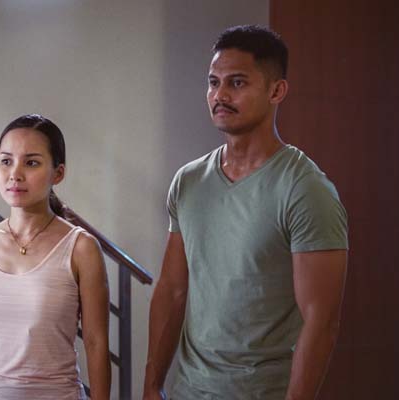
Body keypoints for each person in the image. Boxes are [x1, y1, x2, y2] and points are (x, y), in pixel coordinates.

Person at [143, 25, 348, 400]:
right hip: (190, 389)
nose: (220, 95)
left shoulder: (306, 189)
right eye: (213, 82)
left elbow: (322, 322)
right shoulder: (188, 181)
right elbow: (172, 290)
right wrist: (151, 386)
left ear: (276, 91)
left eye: (236, 83)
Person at [0, 114, 111, 400]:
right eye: (6, 161)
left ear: (57, 173)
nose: (15, 174)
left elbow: (96, 342)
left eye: (32, 163)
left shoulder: (81, 248)